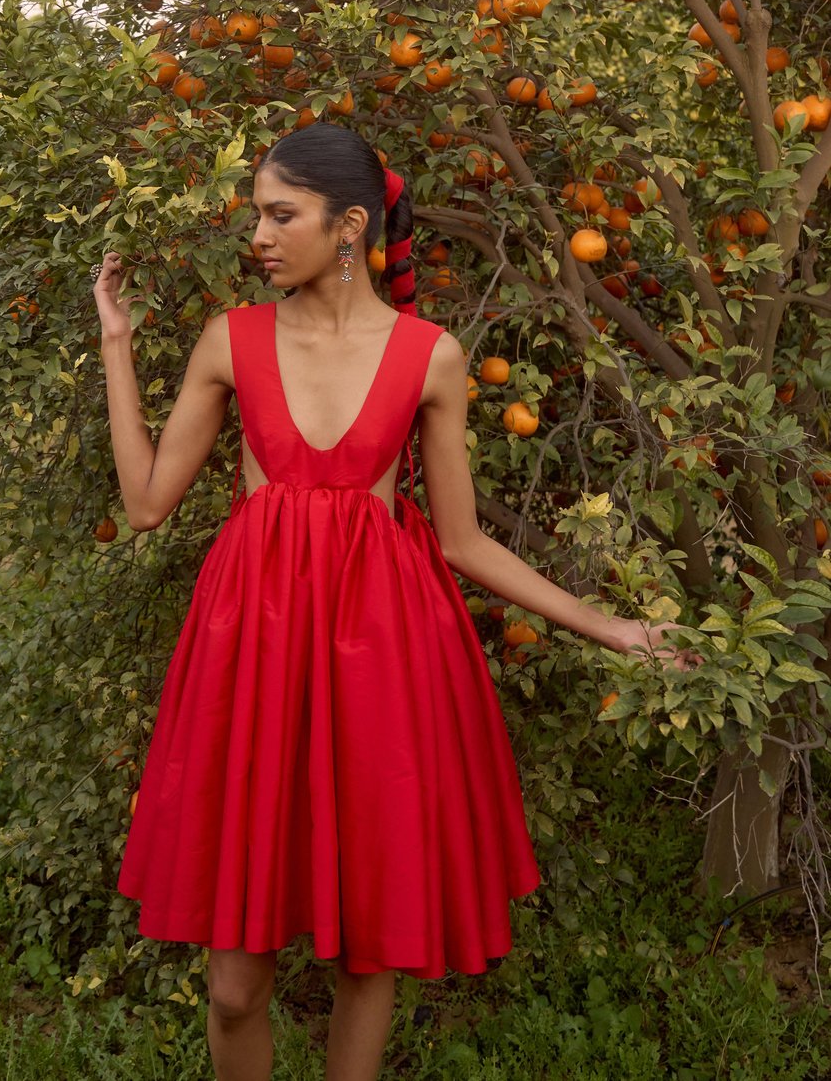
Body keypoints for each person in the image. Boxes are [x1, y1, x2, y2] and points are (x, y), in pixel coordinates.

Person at [92, 120, 698, 1081]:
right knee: (234, 989)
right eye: (256, 213)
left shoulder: (431, 356)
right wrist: (117, 345)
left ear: (350, 227)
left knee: (371, 945)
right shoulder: (232, 339)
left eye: (279, 214)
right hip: (253, 657)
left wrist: (611, 626)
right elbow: (144, 504)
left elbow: (461, 542)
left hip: (383, 656)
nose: (258, 234)